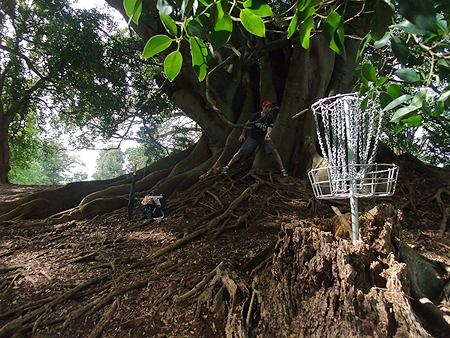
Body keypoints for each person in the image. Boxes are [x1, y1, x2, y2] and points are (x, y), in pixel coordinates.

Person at [222, 100, 288, 177]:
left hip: (264, 138)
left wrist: (267, 135)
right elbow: (247, 124)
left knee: (274, 151)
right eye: (266, 107)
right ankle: (227, 167)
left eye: (270, 107)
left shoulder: (270, 118)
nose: (268, 109)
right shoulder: (256, 116)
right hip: (253, 137)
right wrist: (242, 134)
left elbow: (270, 129)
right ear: (263, 107)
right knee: (240, 152)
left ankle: (282, 169)